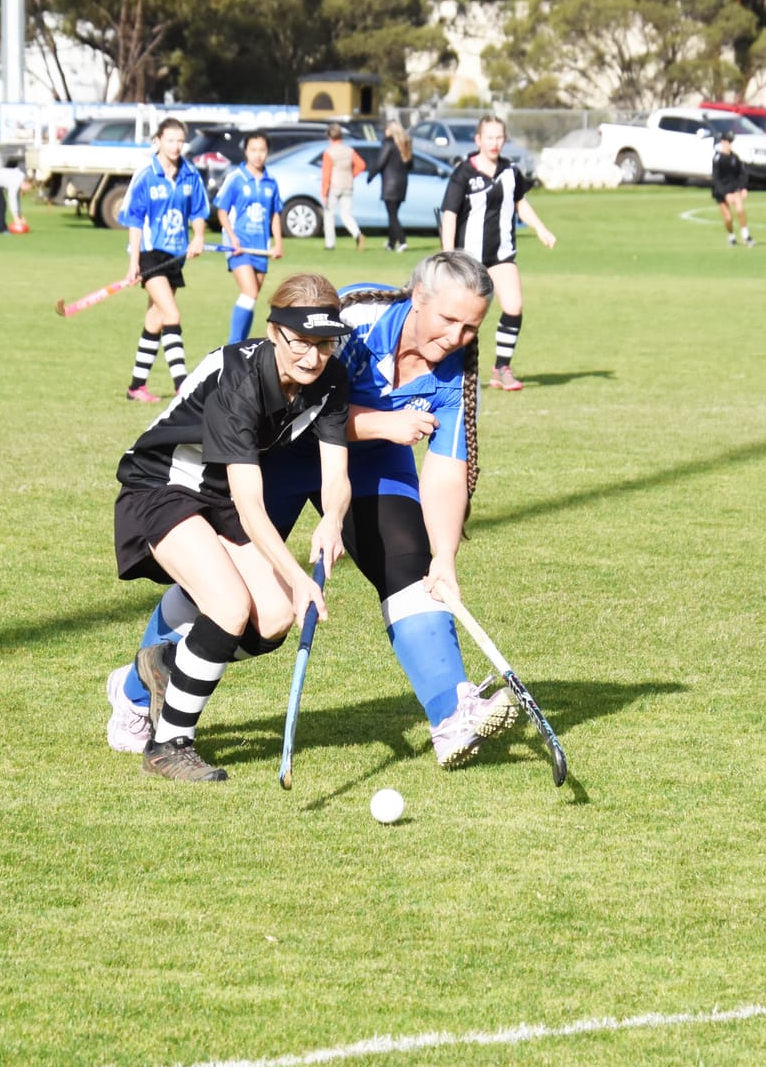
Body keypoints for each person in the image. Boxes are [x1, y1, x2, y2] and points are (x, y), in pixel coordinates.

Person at [107, 252, 521, 771]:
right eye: (448, 320)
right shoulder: (349, 321)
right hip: (261, 461)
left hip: (349, 464)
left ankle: (450, 714)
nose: (458, 336)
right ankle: (137, 694)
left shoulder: (446, 369)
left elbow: (445, 470)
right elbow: (290, 403)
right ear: (419, 298)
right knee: (217, 594)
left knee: (405, 564)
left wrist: (445, 557)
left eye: (471, 326)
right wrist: (383, 425)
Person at [111, 273, 355, 782]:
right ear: (273, 331)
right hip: (161, 485)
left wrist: (332, 520)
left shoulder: (331, 378)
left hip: (217, 494)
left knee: (274, 619)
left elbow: (337, 475)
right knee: (228, 606)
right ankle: (168, 744)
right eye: (301, 344)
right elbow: (249, 506)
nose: (313, 358)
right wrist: (301, 574)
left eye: (325, 345)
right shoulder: (237, 379)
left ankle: (165, 665)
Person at [440, 116, 556, 391]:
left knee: (514, 307)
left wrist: (540, 228)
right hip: (469, 259)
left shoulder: (510, 171)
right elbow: (450, 215)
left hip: (502, 255)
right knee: (463, 316)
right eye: (489, 137)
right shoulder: (464, 173)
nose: (494, 143)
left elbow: (520, 203)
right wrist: (448, 255)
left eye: (499, 137)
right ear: (478, 140)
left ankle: (501, 368)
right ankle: (451, 370)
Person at [121, 118, 209, 403]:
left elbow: (198, 211)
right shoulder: (146, 175)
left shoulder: (190, 174)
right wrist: (134, 262)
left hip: (176, 254)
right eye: (170, 140)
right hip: (150, 254)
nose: (175, 146)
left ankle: (136, 387)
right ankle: (183, 385)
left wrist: (197, 237)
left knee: (156, 319)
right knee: (172, 315)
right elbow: (134, 220)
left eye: (179, 140)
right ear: (157, 140)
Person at [215, 131, 285, 342]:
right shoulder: (235, 178)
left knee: (251, 298)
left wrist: (278, 244)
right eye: (253, 150)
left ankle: (239, 346)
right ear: (245, 151)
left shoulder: (271, 182)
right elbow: (222, 211)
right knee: (250, 292)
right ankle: (233, 346)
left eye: (262, 150)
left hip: (260, 247)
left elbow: (275, 215)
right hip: (238, 245)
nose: (257, 155)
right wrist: (232, 237)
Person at [320, 124, 366, 253]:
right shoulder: (349, 150)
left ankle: (330, 244)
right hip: (348, 185)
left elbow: (326, 174)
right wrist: (352, 174)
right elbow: (361, 165)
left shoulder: (329, 152)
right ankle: (357, 234)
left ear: (329, 137)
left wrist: (324, 192)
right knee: (346, 214)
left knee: (329, 215)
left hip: (334, 186)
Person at [372, 121, 413, 253]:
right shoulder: (405, 145)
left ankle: (402, 241)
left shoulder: (388, 144)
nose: (385, 130)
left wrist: (370, 175)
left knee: (392, 215)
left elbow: (380, 162)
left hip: (390, 184)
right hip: (402, 183)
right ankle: (391, 243)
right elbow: (410, 165)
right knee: (393, 214)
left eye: (387, 128)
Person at [711, 133, 754, 248]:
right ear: (723, 142)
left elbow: (742, 173)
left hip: (734, 188)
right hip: (721, 190)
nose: (731, 144)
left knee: (740, 210)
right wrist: (724, 193)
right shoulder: (717, 159)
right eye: (729, 142)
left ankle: (746, 236)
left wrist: (743, 187)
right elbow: (716, 178)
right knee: (728, 218)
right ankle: (731, 236)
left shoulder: (735, 157)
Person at [0, 162, 31, 235]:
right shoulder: (16, 181)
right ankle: (1, 229)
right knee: (1, 205)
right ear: (26, 183)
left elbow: (17, 200)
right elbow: (12, 199)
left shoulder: (20, 179)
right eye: (27, 188)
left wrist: (19, 216)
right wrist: (16, 218)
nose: (26, 191)